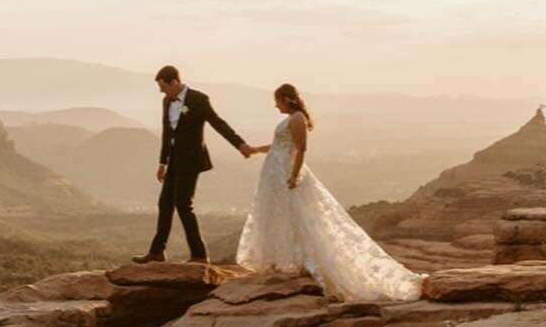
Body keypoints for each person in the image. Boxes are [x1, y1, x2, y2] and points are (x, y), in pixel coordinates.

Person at [237, 83, 424, 302]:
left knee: (298, 215)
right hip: (275, 172)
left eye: (277, 101)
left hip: (285, 173)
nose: (275, 105)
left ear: (287, 99)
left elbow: (300, 149)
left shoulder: (296, 118)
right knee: (279, 214)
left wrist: (294, 175)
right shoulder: (291, 119)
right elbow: (279, 145)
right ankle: (283, 259)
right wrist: (256, 150)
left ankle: (301, 260)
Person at [133, 65, 252, 263]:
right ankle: (157, 252)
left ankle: (199, 254)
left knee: (183, 204)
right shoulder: (166, 102)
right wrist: (162, 162)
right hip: (174, 160)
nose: (161, 91)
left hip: (192, 160)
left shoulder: (198, 99)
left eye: (163, 87)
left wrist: (240, 144)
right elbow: (167, 133)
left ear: (175, 82)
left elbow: (217, 123)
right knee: (164, 204)